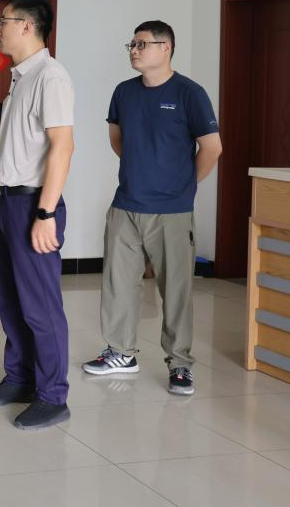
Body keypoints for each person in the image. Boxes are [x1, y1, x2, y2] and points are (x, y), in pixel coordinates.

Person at [82, 21, 222, 396]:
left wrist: (184, 186)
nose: (134, 50)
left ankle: (180, 364)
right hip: (126, 205)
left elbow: (212, 148)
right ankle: (120, 353)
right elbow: (117, 138)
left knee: (175, 291)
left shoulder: (190, 93)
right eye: (132, 44)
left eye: (142, 44)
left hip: (172, 211)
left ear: (166, 48)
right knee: (118, 285)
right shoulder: (124, 92)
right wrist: (141, 169)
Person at [0, 0, 75, 431]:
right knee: (12, 300)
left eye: (4, 22)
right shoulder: (20, 77)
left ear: (28, 26)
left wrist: (46, 213)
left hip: (35, 204)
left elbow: (62, 147)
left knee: (40, 305)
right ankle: (19, 378)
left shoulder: (51, 77)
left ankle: (52, 396)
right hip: (9, 202)